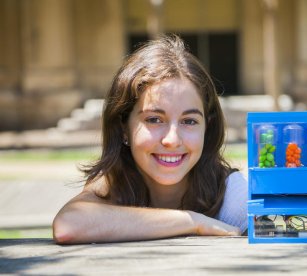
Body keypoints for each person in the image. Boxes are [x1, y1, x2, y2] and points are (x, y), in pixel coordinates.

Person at [53, 34, 248, 244]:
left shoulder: (234, 198)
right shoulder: (115, 182)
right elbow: (69, 225)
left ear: (206, 129)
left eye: (189, 121)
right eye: (154, 119)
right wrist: (192, 222)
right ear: (123, 129)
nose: (172, 140)